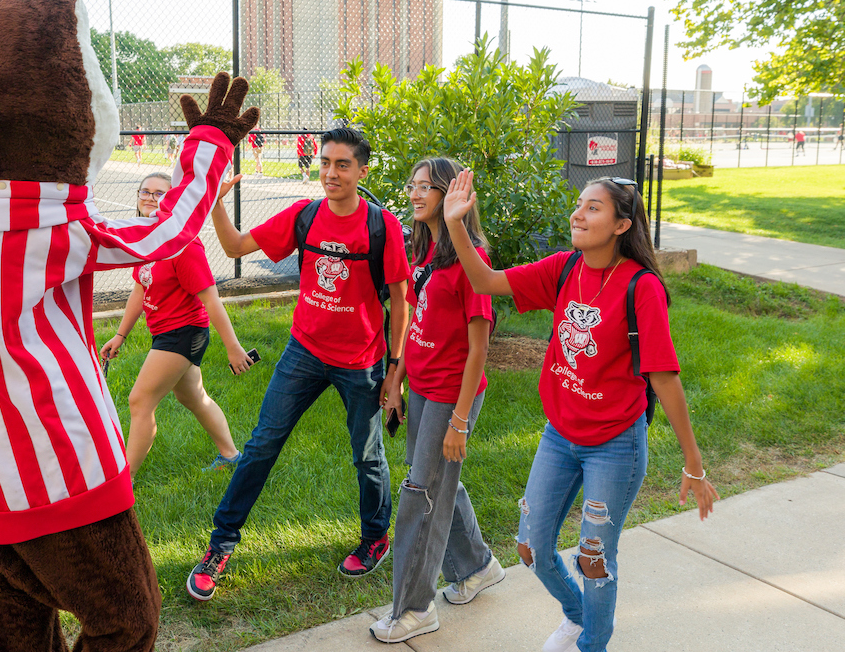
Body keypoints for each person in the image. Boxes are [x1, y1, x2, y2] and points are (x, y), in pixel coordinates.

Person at [440, 171, 719, 652]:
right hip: (560, 435)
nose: (578, 213)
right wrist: (456, 225)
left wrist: (693, 464)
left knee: (595, 556)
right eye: (579, 204)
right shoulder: (565, 269)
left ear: (621, 225)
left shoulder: (641, 287)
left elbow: (664, 377)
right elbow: (484, 279)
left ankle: (593, 643)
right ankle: (578, 616)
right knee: (530, 547)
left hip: (615, 445)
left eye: (593, 207)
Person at [186, 127, 410, 601]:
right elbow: (233, 248)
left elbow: (399, 299)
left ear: (362, 170)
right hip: (303, 352)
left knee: (368, 455)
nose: (330, 172)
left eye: (342, 164)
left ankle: (375, 539)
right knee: (262, 445)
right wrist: (215, 204)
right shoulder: (305, 216)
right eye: (325, 162)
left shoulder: (382, 226)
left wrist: (394, 370)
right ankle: (220, 545)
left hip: (362, 361)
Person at [370, 158, 502, 643]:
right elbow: (419, 325)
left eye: (427, 187)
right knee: (438, 484)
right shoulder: (425, 252)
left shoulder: (473, 260)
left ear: (451, 195)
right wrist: (397, 380)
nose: (415, 194)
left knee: (419, 497)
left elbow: (480, 350)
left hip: (451, 395)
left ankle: (413, 608)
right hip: (422, 386)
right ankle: (477, 566)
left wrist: (460, 421)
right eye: (413, 185)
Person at [100, 172, 256, 477]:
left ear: (175, 201)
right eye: (145, 191)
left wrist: (234, 348)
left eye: (160, 193)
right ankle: (231, 455)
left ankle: (123, 482)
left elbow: (212, 299)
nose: (149, 197)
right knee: (192, 396)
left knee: (140, 400)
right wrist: (120, 335)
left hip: (184, 333)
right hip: (164, 331)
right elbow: (140, 287)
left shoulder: (184, 246)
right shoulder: (148, 238)